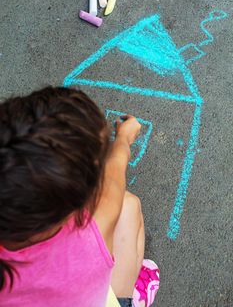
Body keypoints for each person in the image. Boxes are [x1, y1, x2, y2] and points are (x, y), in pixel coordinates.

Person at [0, 86, 159, 307]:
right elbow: (113, 180)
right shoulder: (92, 232)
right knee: (129, 205)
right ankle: (131, 298)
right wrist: (123, 138)